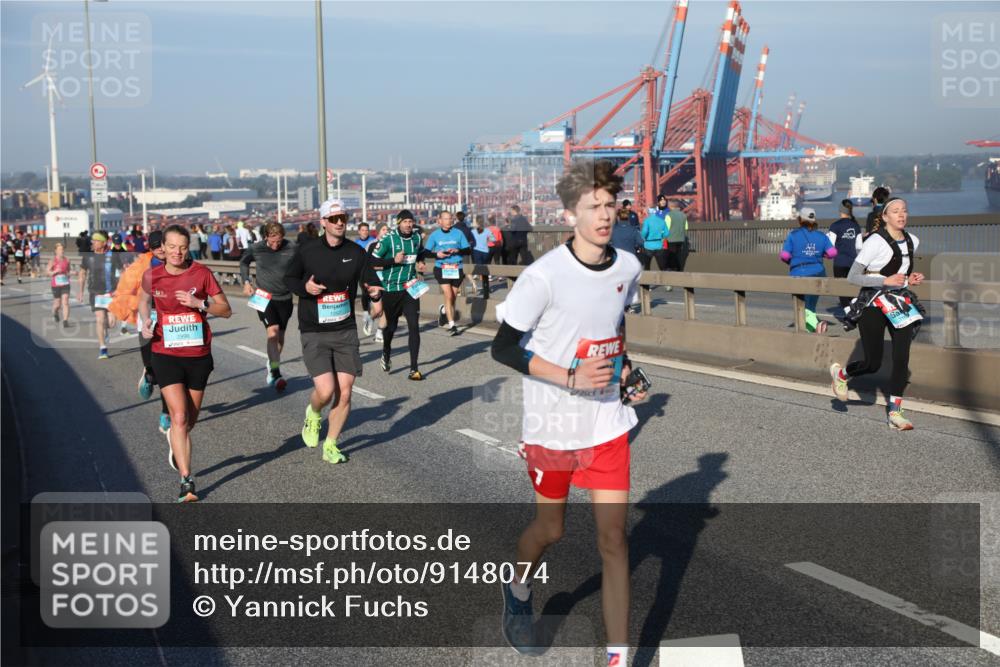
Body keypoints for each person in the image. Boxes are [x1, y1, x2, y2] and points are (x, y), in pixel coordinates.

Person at [491, 160, 646, 664]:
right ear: (569, 214)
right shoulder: (544, 276)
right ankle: (517, 586)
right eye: (592, 207)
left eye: (610, 205)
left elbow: (612, 325)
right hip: (553, 424)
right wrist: (570, 377)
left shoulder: (628, 267)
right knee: (551, 530)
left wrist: (625, 369)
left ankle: (618, 658)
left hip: (606, 422)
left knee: (614, 541)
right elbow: (502, 348)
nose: (604, 216)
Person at [284, 198, 383, 465]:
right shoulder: (307, 250)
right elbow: (289, 279)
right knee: (326, 391)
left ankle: (331, 444)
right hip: (314, 329)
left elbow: (369, 279)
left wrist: (375, 295)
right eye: (334, 219)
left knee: (346, 391)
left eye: (343, 218)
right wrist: (305, 288)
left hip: (344, 329)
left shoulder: (356, 252)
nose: (340, 223)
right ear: (324, 222)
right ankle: (314, 413)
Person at [139, 225, 232, 502]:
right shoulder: (152, 275)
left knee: (189, 420)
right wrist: (145, 320)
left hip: (198, 356)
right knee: (178, 417)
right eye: (171, 247)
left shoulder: (202, 274)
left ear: (188, 247)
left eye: (182, 247)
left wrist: (199, 303)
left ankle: (176, 439)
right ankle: (186, 481)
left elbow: (226, 310)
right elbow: (144, 301)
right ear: (162, 248)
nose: (177, 252)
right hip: (165, 353)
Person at [831, 196, 924, 431]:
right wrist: (884, 280)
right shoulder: (874, 241)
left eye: (904, 210)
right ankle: (842, 374)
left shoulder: (912, 240)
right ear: (885, 217)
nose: (901, 214)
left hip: (898, 303)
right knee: (873, 363)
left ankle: (895, 412)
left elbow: (901, 273)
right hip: (872, 302)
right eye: (895, 211)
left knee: (901, 358)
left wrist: (910, 279)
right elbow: (853, 277)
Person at [109, 230, 171, 433]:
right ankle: (148, 373)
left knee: (167, 370)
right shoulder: (141, 265)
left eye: (163, 244)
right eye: (156, 245)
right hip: (147, 318)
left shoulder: (178, 261)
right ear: (150, 248)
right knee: (153, 368)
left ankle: (166, 413)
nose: (160, 249)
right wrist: (116, 311)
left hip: (170, 320)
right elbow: (125, 288)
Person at [241, 222, 297, 392]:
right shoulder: (256, 248)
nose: (275, 245)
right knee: (272, 331)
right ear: (266, 237)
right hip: (263, 296)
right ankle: (275, 372)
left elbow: (304, 264)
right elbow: (244, 262)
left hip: (285, 297)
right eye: (272, 241)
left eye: (279, 241)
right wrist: (246, 282)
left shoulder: (291, 247)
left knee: (280, 337)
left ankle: (272, 361)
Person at [372, 209, 427, 380]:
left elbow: (421, 252)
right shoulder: (388, 239)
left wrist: (421, 262)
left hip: (410, 288)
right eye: (405, 222)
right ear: (398, 223)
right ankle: (386, 351)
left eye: (411, 221)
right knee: (391, 327)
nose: (409, 225)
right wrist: (392, 260)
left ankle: (414, 369)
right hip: (391, 289)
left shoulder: (417, 237)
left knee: (414, 326)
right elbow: (372, 260)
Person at [779, 207, 837, 334]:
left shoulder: (793, 235)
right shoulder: (821, 236)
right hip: (819, 273)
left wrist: (791, 261)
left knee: (801, 305)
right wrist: (822, 255)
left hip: (799, 273)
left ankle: (816, 326)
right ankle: (810, 329)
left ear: (800, 219)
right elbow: (832, 253)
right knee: (811, 305)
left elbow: (784, 255)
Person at [78, 231, 128, 359]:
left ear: (104, 242)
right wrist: (80, 291)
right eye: (93, 240)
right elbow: (82, 273)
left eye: (96, 240)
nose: (93, 242)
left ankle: (106, 331)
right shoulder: (88, 257)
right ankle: (103, 348)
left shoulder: (113, 256)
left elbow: (122, 272)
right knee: (100, 319)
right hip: (96, 293)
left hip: (111, 293)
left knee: (111, 323)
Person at [424, 210, 471, 336]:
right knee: (449, 295)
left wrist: (457, 250)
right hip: (441, 268)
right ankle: (452, 325)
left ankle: (444, 310)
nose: (449, 221)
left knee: (453, 297)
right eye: (446, 218)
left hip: (456, 268)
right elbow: (426, 252)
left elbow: (468, 250)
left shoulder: (458, 233)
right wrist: (437, 254)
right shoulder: (434, 235)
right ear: (439, 221)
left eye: (450, 218)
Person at [827, 200, 862, 311]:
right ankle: (855, 307)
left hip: (839, 262)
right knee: (851, 288)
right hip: (853, 262)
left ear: (840, 210)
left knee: (841, 289)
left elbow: (831, 245)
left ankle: (848, 311)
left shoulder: (835, 226)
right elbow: (859, 247)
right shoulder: (856, 226)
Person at [363, 224, 391, 342]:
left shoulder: (391, 244)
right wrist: (366, 281)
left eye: (387, 230)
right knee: (379, 310)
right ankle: (370, 318)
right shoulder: (372, 245)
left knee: (387, 310)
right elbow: (367, 264)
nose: (386, 231)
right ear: (378, 232)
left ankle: (379, 333)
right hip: (374, 280)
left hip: (388, 280)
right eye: (383, 229)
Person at [639, 202, 669, 271]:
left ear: (649, 211)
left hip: (648, 245)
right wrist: (662, 237)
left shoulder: (647, 221)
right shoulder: (662, 221)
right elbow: (666, 233)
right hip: (659, 245)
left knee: (646, 267)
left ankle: (647, 278)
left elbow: (644, 232)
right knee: (662, 267)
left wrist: (644, 238)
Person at [470, 215, 495, 297]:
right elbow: (493, 239)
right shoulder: (487, 230)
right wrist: (486, 239)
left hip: (476, 251)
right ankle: (486, 288)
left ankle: (477, 285)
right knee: (485, 271)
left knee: (478, 270)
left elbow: (469, 240)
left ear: (476, 222)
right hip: (485, 252)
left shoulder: (473, 231)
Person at [47, 243, 72, 327]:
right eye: (60, 249)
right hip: (56, 284)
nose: (62, 251)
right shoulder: (52, 261)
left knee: (65, 301)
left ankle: (65, 321)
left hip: (65, 283)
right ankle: (55, 311)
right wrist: (55, 271)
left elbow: (68, 271)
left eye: (62, 249)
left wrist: (72, 273)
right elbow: (47, 272)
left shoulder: (67, 260)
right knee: (57, 304)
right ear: (56, 251)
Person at [665, 199, 689, 271]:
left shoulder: (669, 215)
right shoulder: (684, 215)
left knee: (671, 255)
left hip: (671, 239)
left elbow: (666, 228)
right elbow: (686, 227)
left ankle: (672, 269)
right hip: (681, 239)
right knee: (678, 254)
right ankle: (678, 269)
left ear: (671, 206)